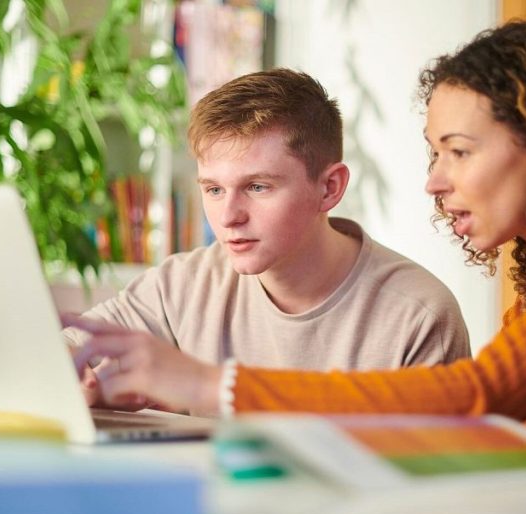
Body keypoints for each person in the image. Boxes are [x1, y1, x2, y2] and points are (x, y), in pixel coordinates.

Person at [64, 14, 526, 491]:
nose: (434, 181)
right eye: (436, 154)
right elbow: (497, 443)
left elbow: (475, 398)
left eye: (457, 152)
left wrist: (204, 386)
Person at [65, 68, 470, 406]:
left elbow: (421, 484)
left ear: (329, 188)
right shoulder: (182, 285)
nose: (228, 216)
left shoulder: (418, 316)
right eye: (214, 189)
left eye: (258, 187)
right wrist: (85, 386)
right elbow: (65, 352)